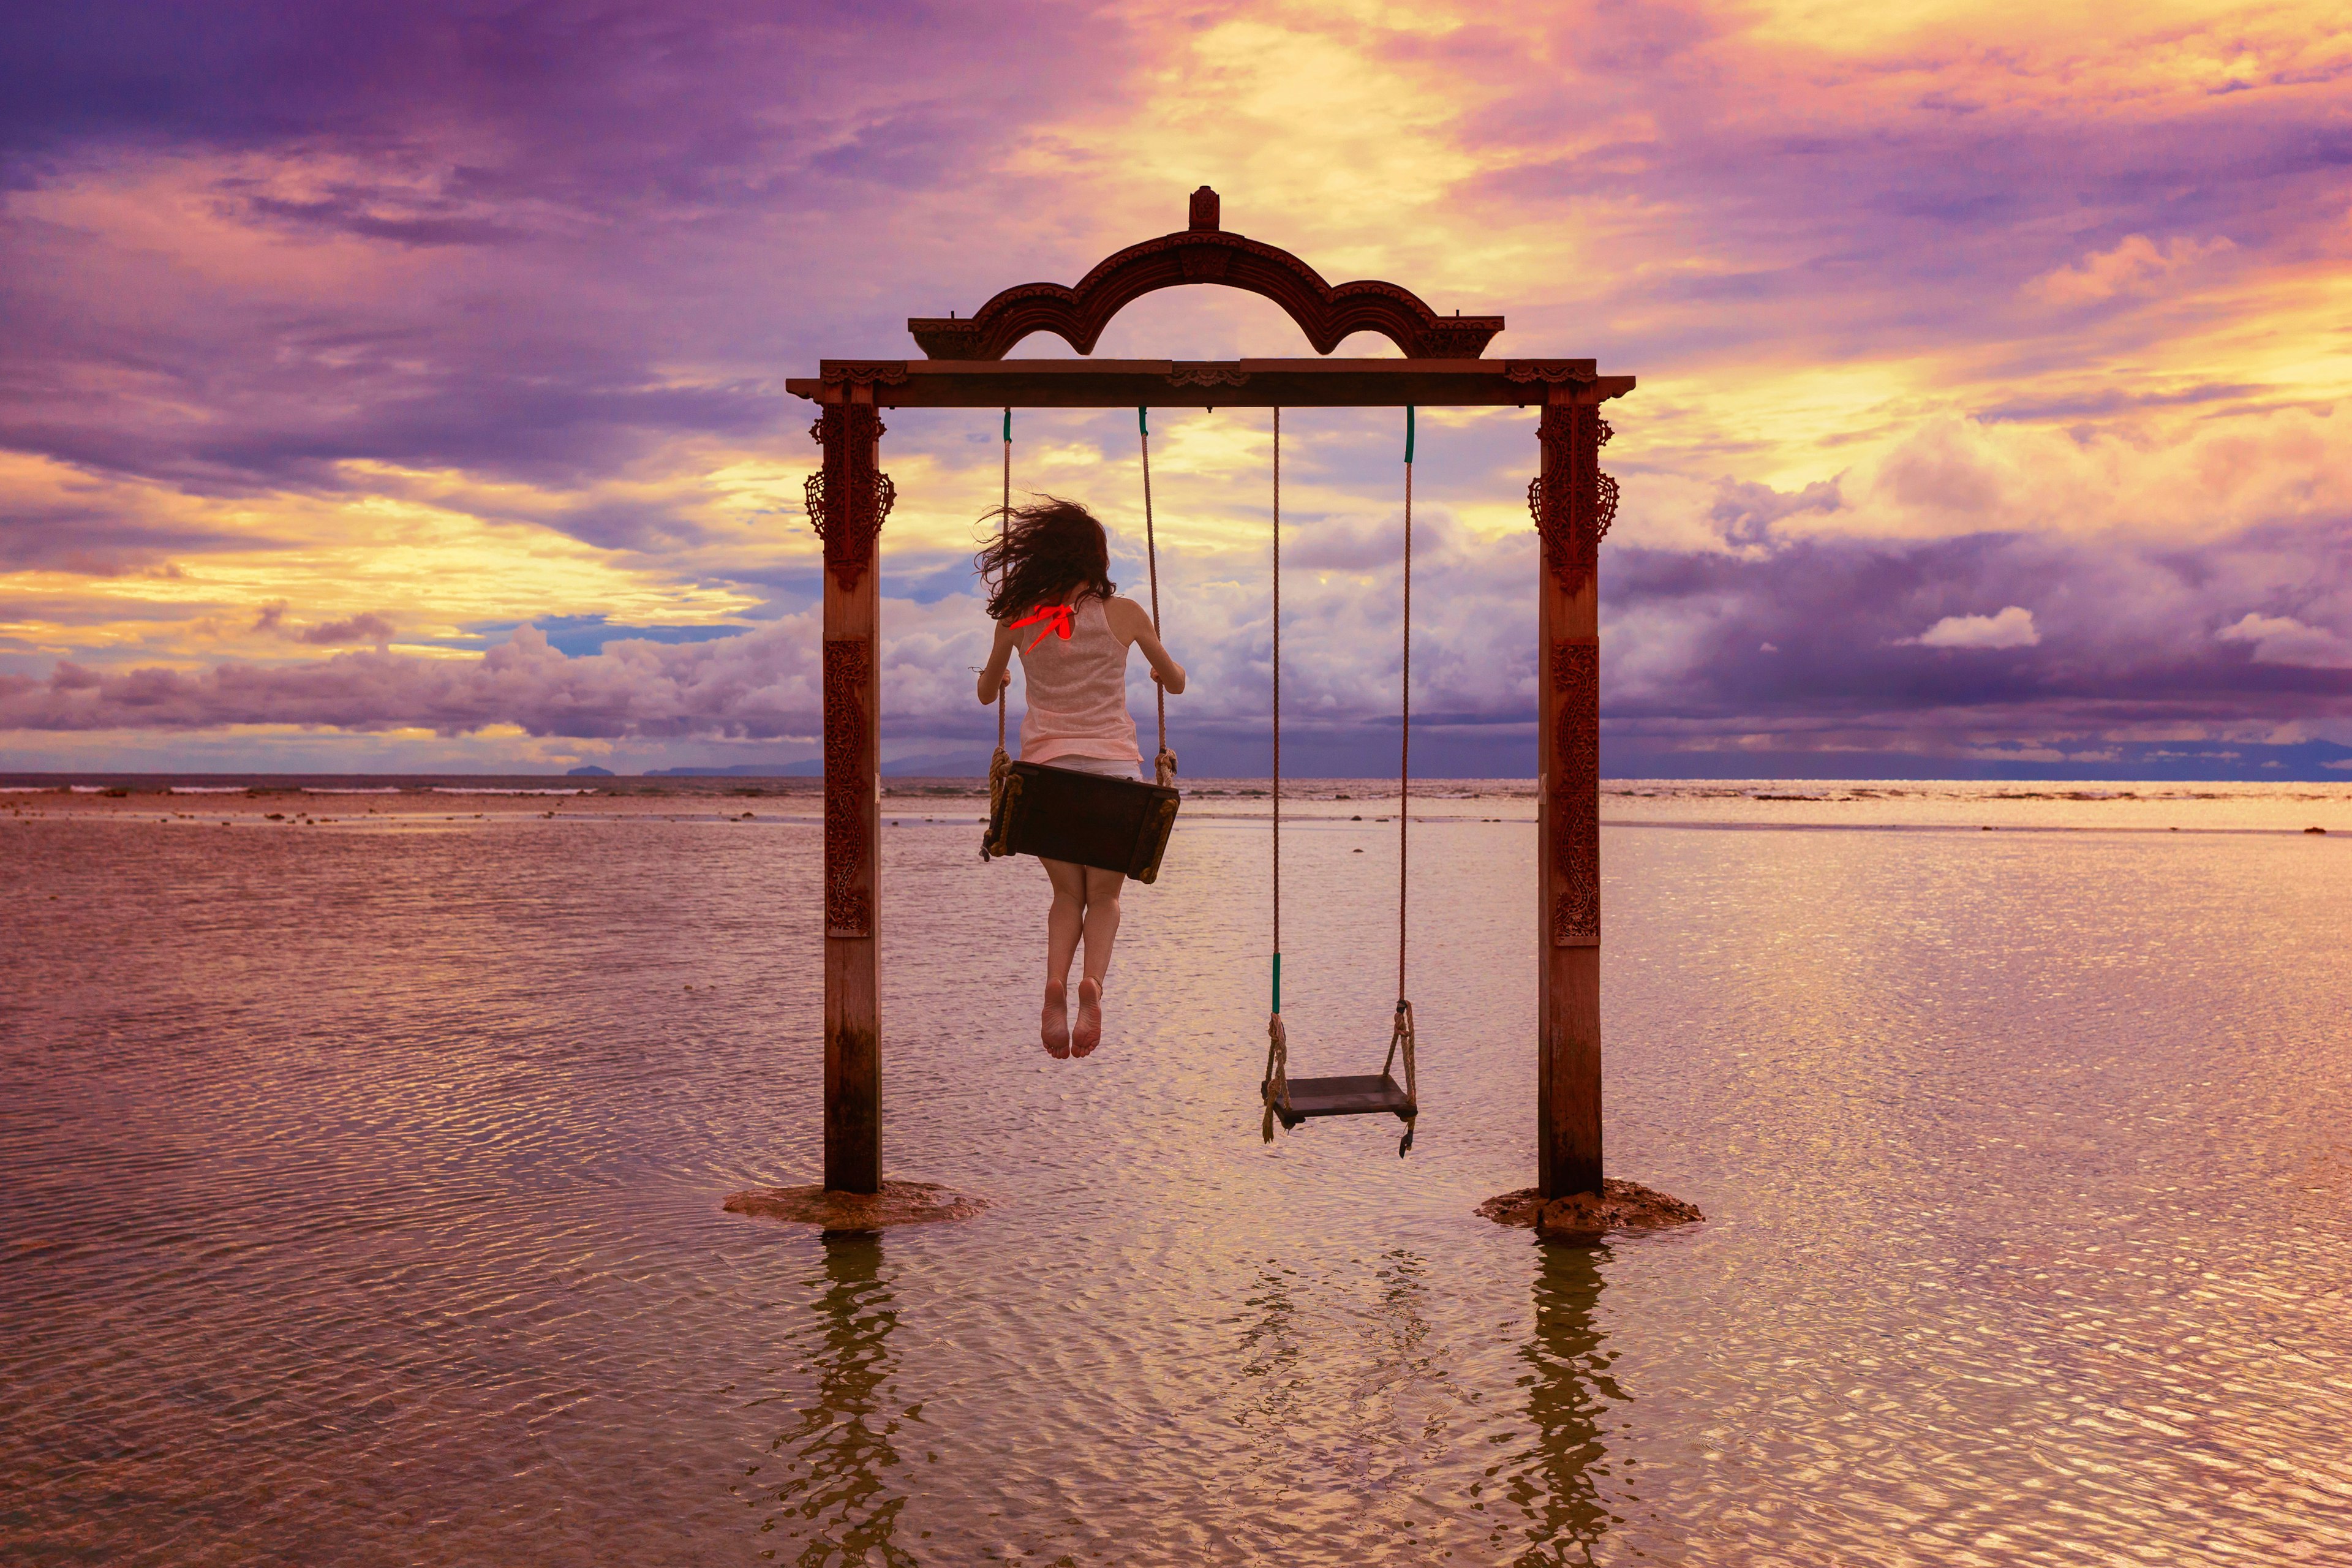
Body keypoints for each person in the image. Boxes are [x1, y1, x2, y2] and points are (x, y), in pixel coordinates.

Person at [975, 498, 1185, 1058]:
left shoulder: (1018, 620)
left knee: (1067, 893)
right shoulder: (1127, 615)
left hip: (1045, 779)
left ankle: (1054, 984)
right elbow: (1178, 681)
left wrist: (1002, 674)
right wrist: (1155, 667)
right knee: (1106, 898)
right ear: (1097, 558)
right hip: (1114, 777)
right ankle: (1093, 983)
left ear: (1040, 558)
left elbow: (986, 690)